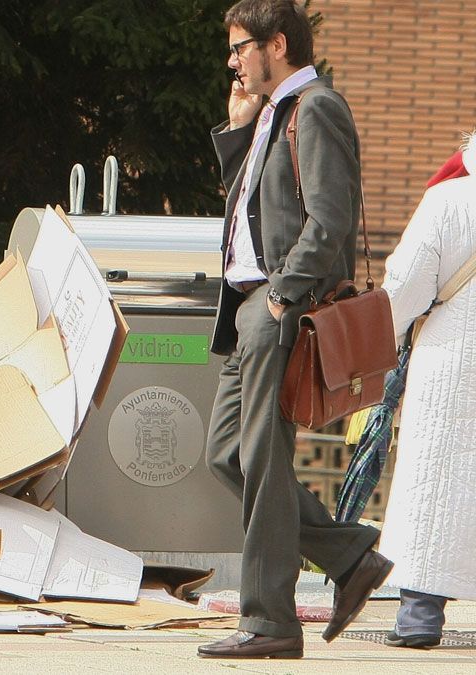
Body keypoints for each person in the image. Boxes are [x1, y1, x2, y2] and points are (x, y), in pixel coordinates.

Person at [197, 0, 392, 659]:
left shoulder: (317, 108)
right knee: (230, 453)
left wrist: (282, 296)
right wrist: (237, 131)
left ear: (277, 44)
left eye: (241, 47)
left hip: (279, 308)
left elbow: (330, 217)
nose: (233, 60)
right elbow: (249, 215)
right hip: (251, 310)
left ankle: (270, 618)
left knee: (262, 457)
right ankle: (350, 554)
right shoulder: (271, 115)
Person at [377, 134, 476, 649]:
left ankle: (420, 618)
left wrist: (389, 335)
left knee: (436, 486)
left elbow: (406, 283)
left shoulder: (449, 200)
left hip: (452, 364)